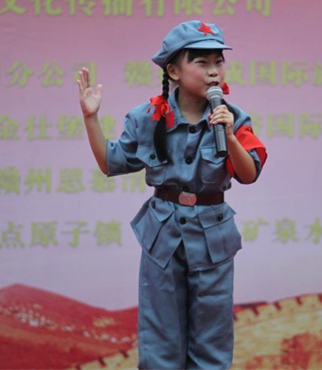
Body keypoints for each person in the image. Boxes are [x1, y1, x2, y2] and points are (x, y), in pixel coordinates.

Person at [77, 20, 267, 369]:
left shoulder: (234, 118)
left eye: (219, 62)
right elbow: (110, 162)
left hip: (212, 239)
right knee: (160, 338)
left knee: (211, 339)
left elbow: (249, 174)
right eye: (202, 62)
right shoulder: (148, 118)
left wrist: (229, 135)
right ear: (173, 71)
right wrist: (91, 119)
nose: (214, 71)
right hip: (163, 236)